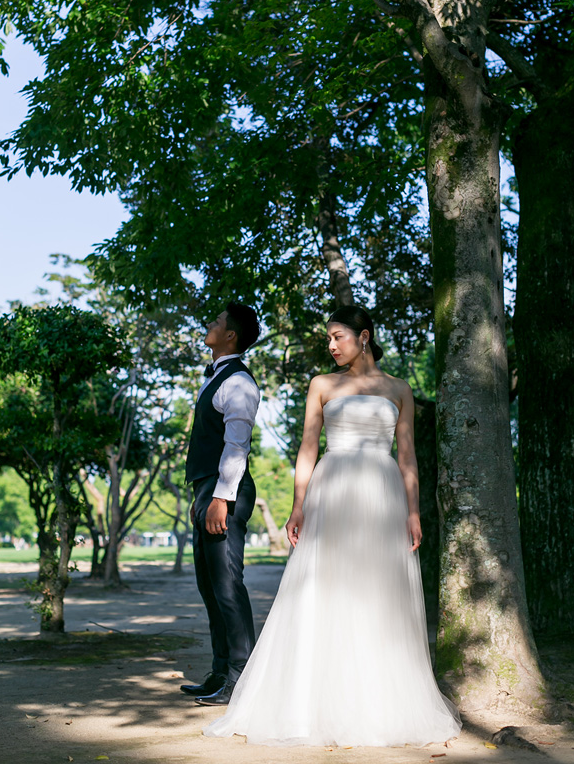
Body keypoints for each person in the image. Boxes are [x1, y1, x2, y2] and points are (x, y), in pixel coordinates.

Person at [203, 305, 462, 747]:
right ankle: (312, 701)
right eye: (329, 338)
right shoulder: (322, 385)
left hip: (382, 494)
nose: (331, 345)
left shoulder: (399, 389)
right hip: (331, 491)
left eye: (337, 336)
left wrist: (413, 510)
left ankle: (379, 701)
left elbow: (407, 456)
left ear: (363, 336)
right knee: (323, 588)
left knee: (380, 592)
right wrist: (298, 504)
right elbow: (308, 448)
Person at [179, 301, 261, 707]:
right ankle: (219, 671)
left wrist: (220, 499)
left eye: (216, 321)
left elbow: (236, 445)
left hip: (224, 492)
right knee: (209, 587)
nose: (208, 324)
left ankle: (241, 678)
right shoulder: (215, 377)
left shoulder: (239, 382)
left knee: (228, 586)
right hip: (207, 490)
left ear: (231, 334)